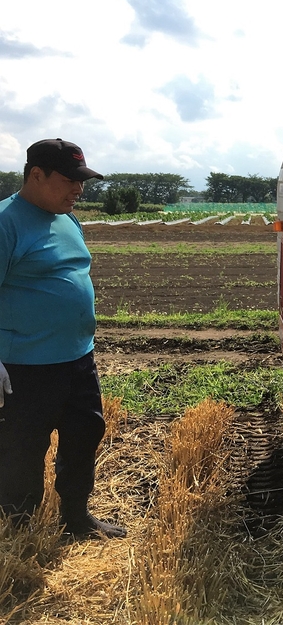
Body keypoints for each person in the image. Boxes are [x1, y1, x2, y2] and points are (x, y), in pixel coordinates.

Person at [0, 138, 126, 539]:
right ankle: (18, 530)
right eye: (70, 179)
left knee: (84, 435)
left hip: (77, 359)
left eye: (82, 180)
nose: (79, 189)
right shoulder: (5, 222)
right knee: (22, 449)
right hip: (24, 365)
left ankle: (76, 517)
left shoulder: (68, 219)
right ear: (36, 175)